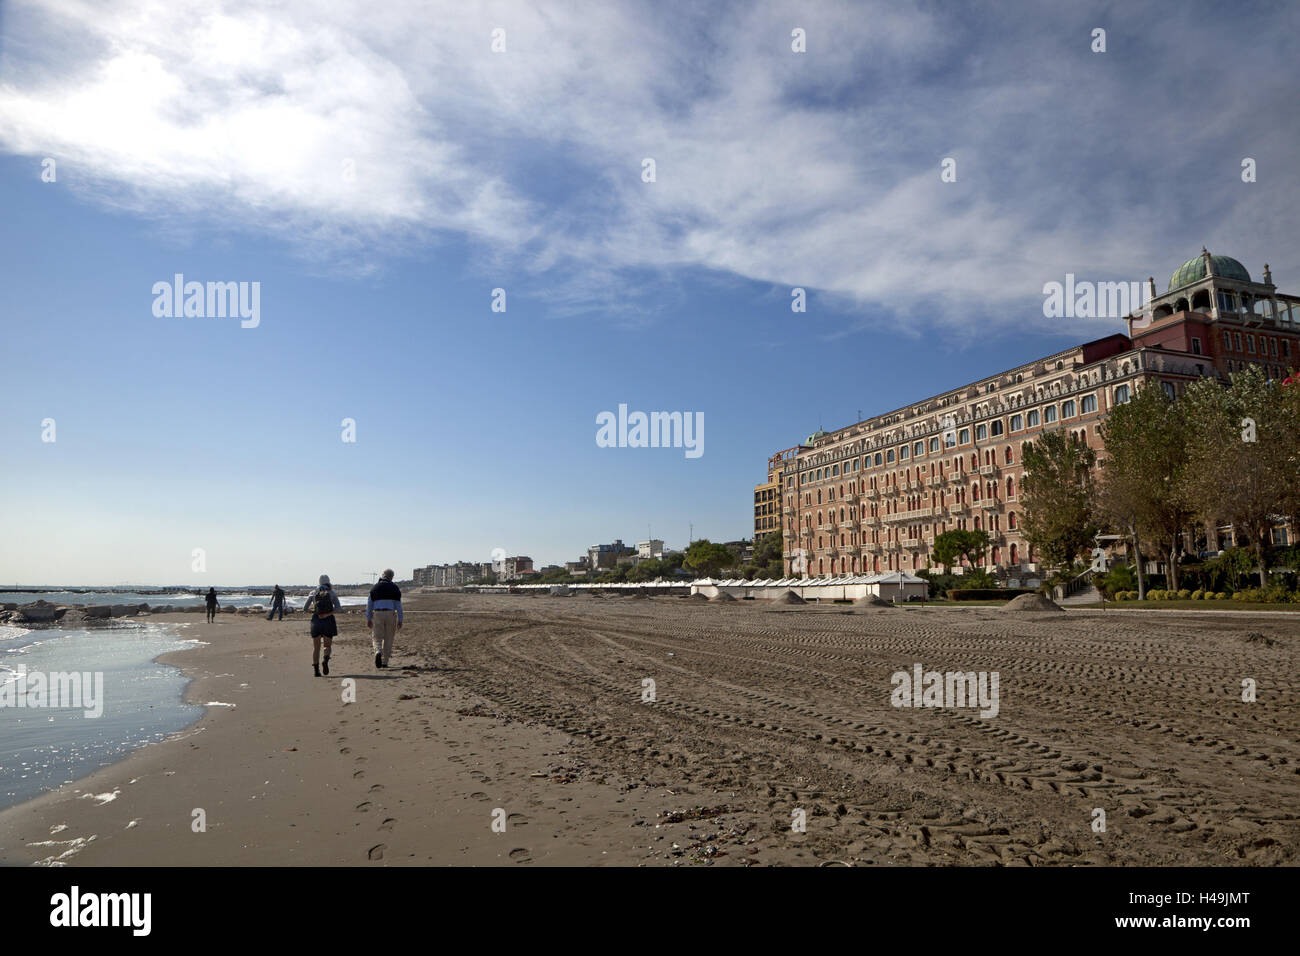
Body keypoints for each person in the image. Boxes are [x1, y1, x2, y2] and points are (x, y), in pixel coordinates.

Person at [303, 574, 341, 678]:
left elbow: (305, 608)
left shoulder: (313, 592)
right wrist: (328, 614)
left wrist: (314, 612)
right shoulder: (332, 593)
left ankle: (316, 671)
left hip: (316, 620)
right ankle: (325, 659)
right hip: (328, 621)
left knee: (316, 647)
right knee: (327, 646)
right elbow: (338, 608)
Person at [366, 569, 403, 669]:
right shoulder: (395, 588)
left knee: (377, 637)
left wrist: (368, 618)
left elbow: (369, 605)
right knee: (388, 638)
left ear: (383, 576)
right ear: (391, 577)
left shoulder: (375, 588)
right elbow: (398, 605)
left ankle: (378, 651)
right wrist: (400, 619)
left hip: (377, 613)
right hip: (390, 614)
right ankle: (385, 662)